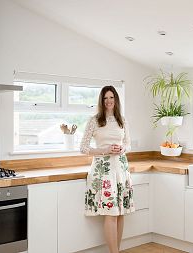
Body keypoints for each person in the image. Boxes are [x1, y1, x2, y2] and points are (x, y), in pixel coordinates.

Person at [80, 85, 135, 253]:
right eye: (105, 98)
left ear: (116, 99)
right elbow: (83, 148)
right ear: (101, 101)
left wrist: (122, 149)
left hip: (121, 168)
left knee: (120, 213)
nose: (109, 101)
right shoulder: (94, 120)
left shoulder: (121, 120)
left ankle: (115, 251)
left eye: (111, 97)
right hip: (103, 171)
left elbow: (128, 144)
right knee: (111, 212)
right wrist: (105, 150)